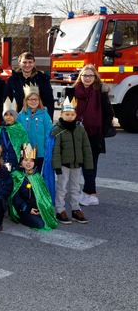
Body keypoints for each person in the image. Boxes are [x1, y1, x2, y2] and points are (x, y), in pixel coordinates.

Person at [70, 65, 114, 206]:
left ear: (95, 77)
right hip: (76, 134)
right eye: (85, 75)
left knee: (90, 165)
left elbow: (109, 113)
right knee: (78, 165)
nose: (87, 78)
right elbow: (67, 112)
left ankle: (91, 193)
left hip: (94, 135)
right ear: (80, 77)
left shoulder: (100, 92)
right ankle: (86, 193)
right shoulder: (73, 92)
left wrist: (101, 131)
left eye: (90, 75)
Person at [50, 96, 93, 225]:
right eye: (67, 114)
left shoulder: (80, 129)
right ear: (61, 114)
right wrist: (56, 166)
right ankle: (60, 210)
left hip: (77, 165)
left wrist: (88, 165)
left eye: (72, 114)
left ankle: (75, 209)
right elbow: (56, 150)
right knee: (62, 188)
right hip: (63, 165)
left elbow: (86, 147)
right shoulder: (57, 130)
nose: (69, 116)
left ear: (76, 115)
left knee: (75, 188)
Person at [8, 144, 58, 231]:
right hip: (23, 208)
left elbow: (43, 195)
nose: (28, 163)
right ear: (21, 162)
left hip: (35, 207)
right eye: (26, 160)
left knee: (48, 220)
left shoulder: (37, 176)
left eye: (31, 161)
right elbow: (14, 197)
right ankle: (22, 217)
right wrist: (27, 208)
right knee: (40, 224)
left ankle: (36, 214)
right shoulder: (16, 176)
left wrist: (41, 207)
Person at [3, 52, 54, 119]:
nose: (27, 65)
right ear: (19, 63)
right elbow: (6, 100)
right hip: (17, 119)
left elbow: (49, 102)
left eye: (30, 62)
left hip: (37, 119)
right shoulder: (13, 80)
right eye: (24, 62)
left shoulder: (42, 79)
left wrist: (49, 120)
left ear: (34, 63)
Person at [16, 84, 53, 169]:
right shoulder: (21, 115)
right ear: (26, 101)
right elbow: (18, 133)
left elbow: (48, 132)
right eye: (30, 99)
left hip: (40, 151)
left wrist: (47, 147)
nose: (33, 102)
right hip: (26, 151)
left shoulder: (44, 115)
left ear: (39, 100)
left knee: (38, 173)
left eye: (35, 99)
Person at [0, 98, 29, 170]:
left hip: (15, 163)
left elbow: (25, 146)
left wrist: (23, 160)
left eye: (11, 115)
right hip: (0, 163)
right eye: (6, 115)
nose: (8, 117)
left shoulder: (20, 130)